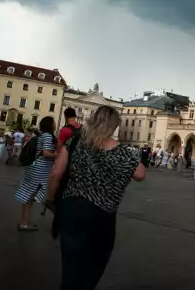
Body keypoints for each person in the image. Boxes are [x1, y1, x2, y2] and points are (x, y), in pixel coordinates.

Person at [47, 105, 146, 290]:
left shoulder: (76, 142)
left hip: (72, 209)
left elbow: (55, 174)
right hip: (103, 216)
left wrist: (51, 200)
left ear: (93, 120)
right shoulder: (123, 152)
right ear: (114, 126)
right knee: (94, 266)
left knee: (70, 266)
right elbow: (140, 174)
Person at [15, 117, 58, 231]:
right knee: (40, 196)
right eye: (53, 122)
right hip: (40, 170)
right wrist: (59, 155)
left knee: (29, 195)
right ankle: (25, 223)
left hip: (35, 168)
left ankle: (24, 223)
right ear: (50, 125)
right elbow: (46, 153)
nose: (55, 123)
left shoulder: (42, 135)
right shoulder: (48, 136)